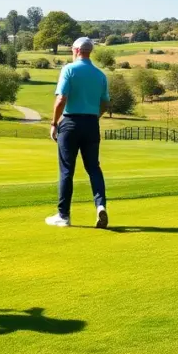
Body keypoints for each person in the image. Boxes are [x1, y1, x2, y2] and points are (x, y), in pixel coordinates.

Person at [46, 37, 110, 228]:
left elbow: (61, 99)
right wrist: (93, 117)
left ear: (75, 50)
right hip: (91, 124)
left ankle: (63, 216)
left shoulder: (69, 69)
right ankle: (100, 206)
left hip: (70, 123)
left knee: (67, 170)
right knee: (94, 168)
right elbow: (105, 103)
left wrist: (54, 123)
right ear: (90, 51)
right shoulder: (100, 75)